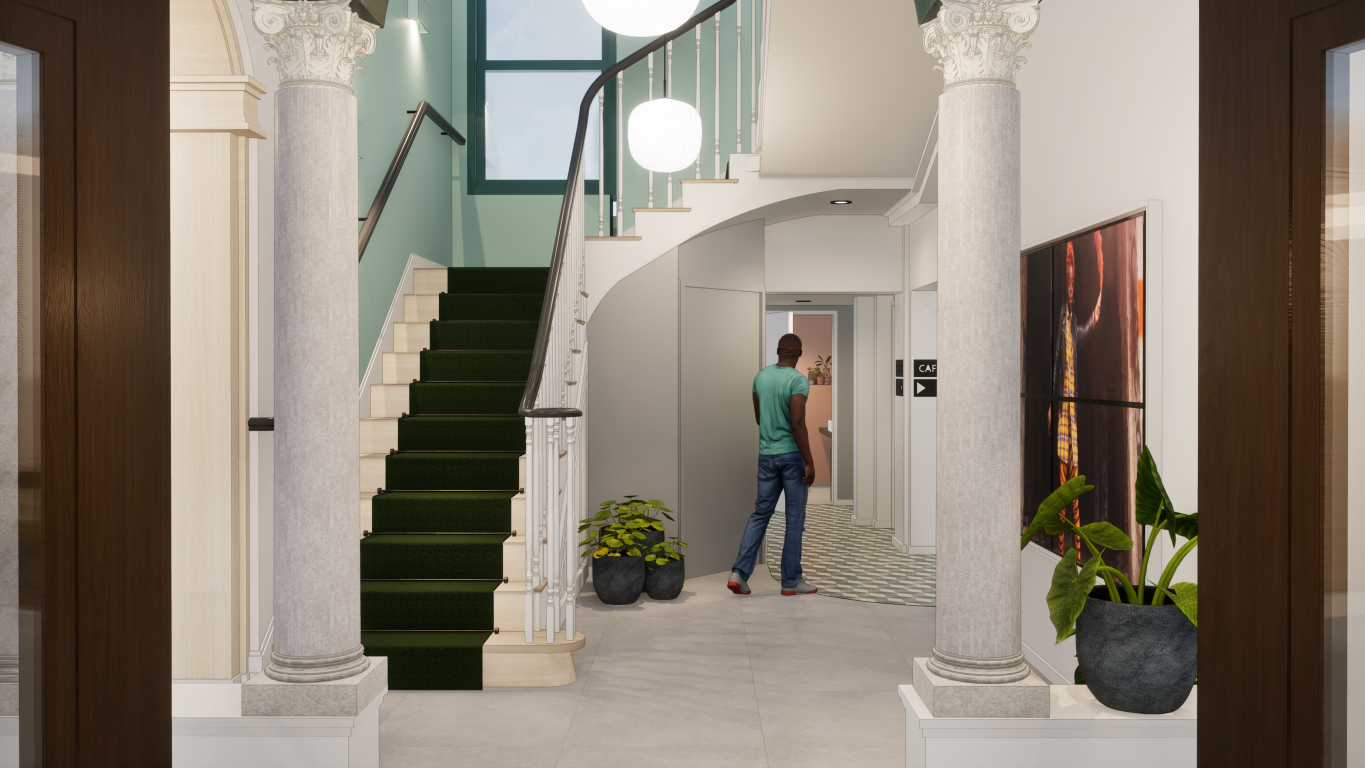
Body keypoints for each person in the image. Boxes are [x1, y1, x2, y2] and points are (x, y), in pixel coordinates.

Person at [727, 333, 819, 596]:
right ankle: (790, 582)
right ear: (799, 354)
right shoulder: (798, 380)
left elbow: (759, 418)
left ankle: (739, 573)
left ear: (778, 351)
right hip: (792, 456)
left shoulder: (761, 377)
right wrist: (809, 461)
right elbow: (797, 423)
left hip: (766, 455)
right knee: (794, 518)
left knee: (760, 514)